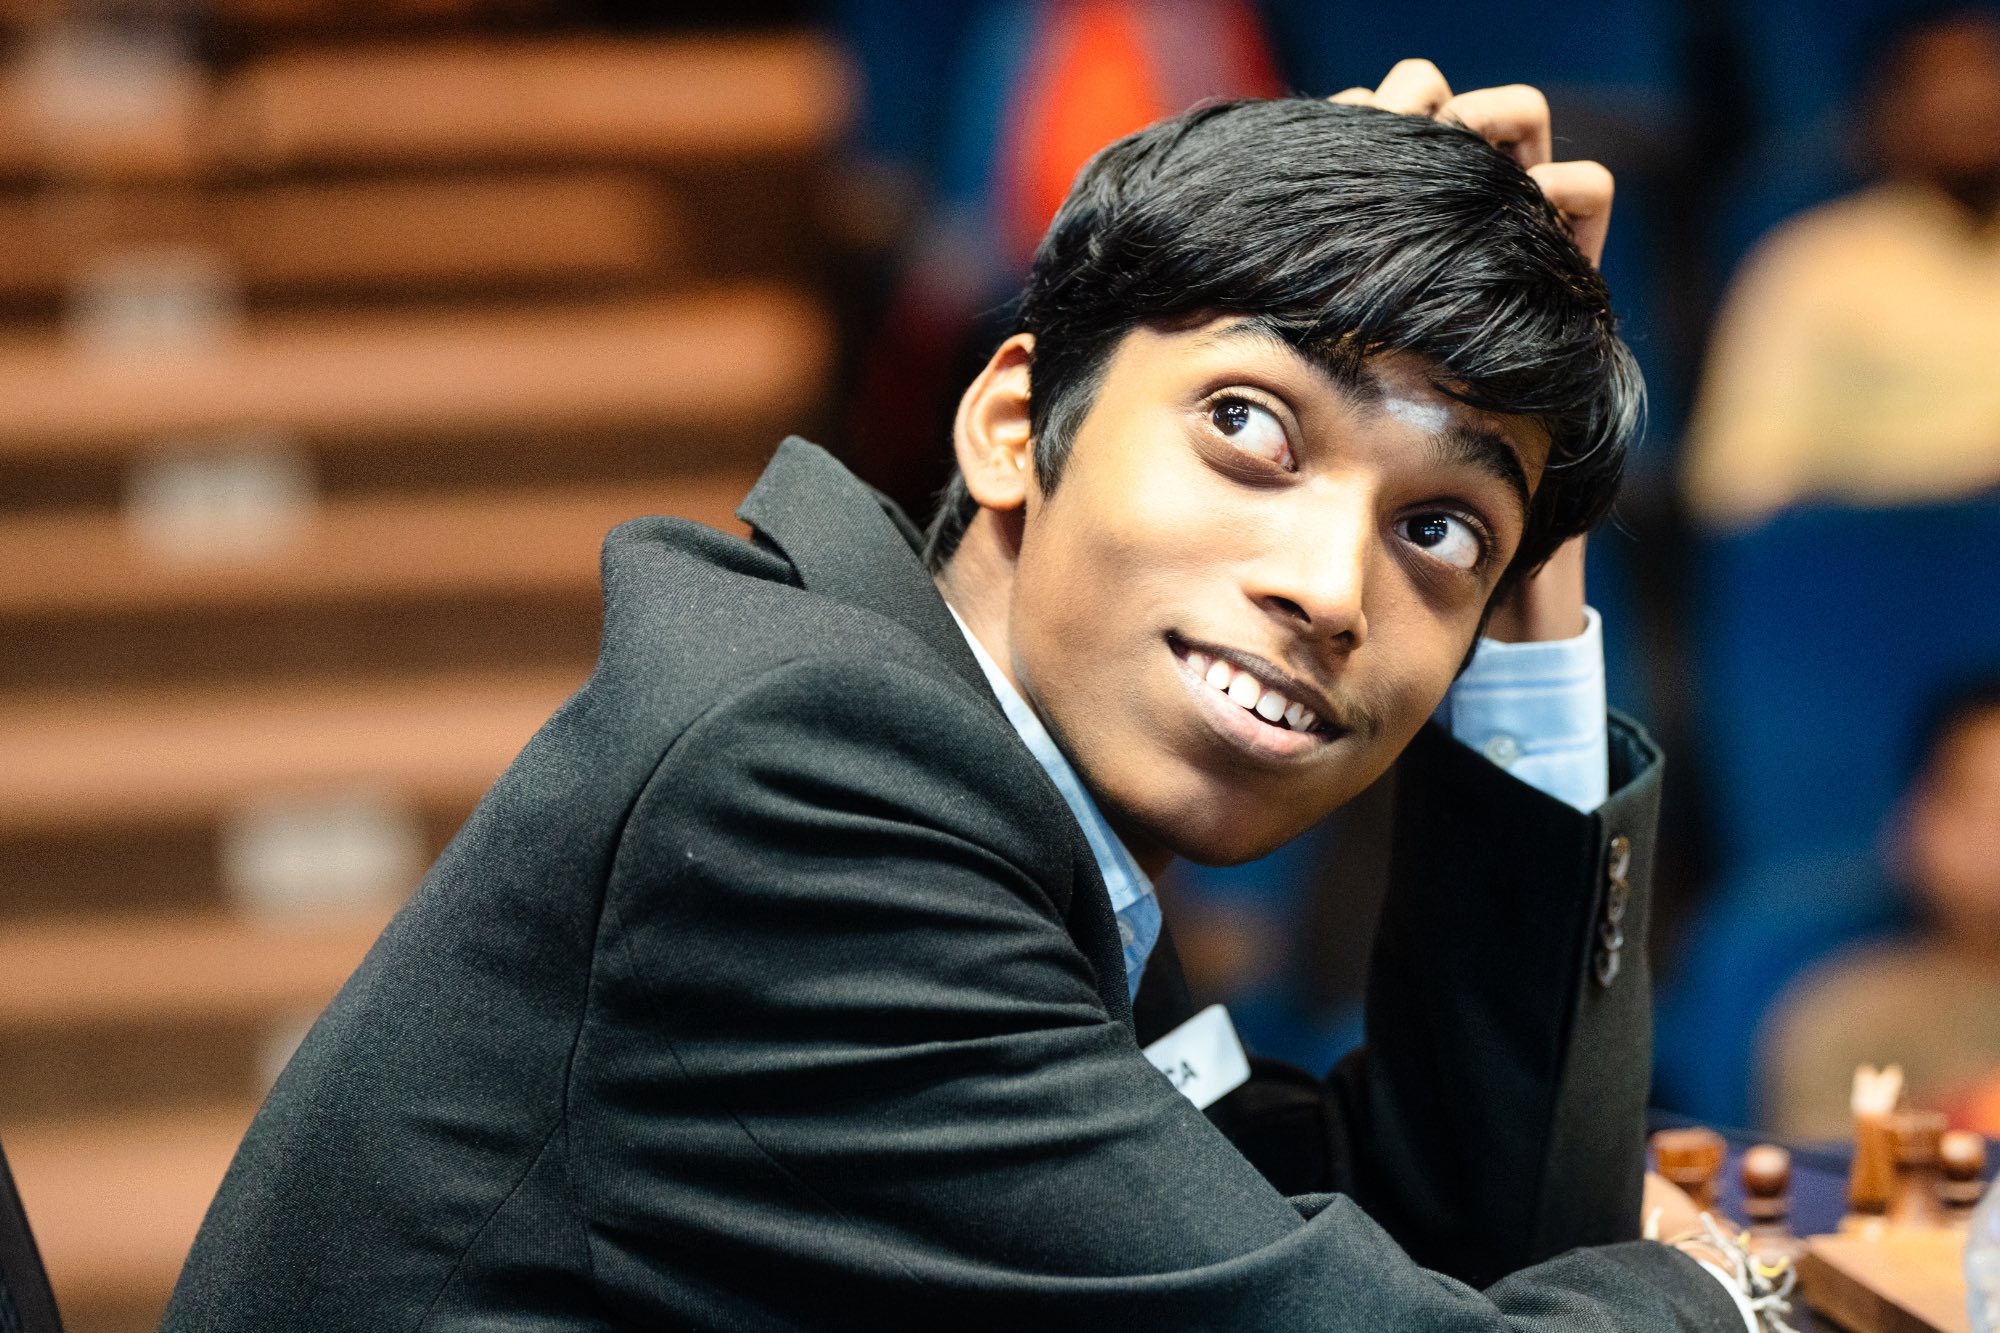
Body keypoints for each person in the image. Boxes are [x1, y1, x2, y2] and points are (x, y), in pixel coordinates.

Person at [162, 66, 1760, 1330]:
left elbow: (1458, 1234)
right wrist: (1726, 1299)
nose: (1332, 592)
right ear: (1011, 425)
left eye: (1435, 530)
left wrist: (1533, 573)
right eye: (1251, 428)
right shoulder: (812, 784)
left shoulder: (1006, 769)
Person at [1683, 5, 2000, 528]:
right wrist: (1955, 483)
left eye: (1987, 77)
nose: (1970, 102)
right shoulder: (1811, 262)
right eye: (1942, 82)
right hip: (1885, 574)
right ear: (1885, 113)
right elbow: (1735, 482)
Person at [1761, 675, 2000, 1140]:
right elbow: (1819, 1193)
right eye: (1973, 801)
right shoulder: (1843, 1020)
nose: (1991, 837)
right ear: (1908, 822)